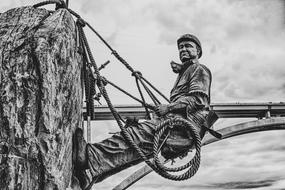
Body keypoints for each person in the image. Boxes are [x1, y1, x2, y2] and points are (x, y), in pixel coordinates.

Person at [74, 34, 212, 188]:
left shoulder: (199, 69)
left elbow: (198, 99)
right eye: (180, 47)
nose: (183, 49)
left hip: (181, 128)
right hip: (178, 128)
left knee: (133, 135)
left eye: (188, 46)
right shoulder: (186, 71)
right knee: (134, 152)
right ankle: (89, 175)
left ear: (198, 51)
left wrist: (169, 107)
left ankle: (87, 155)